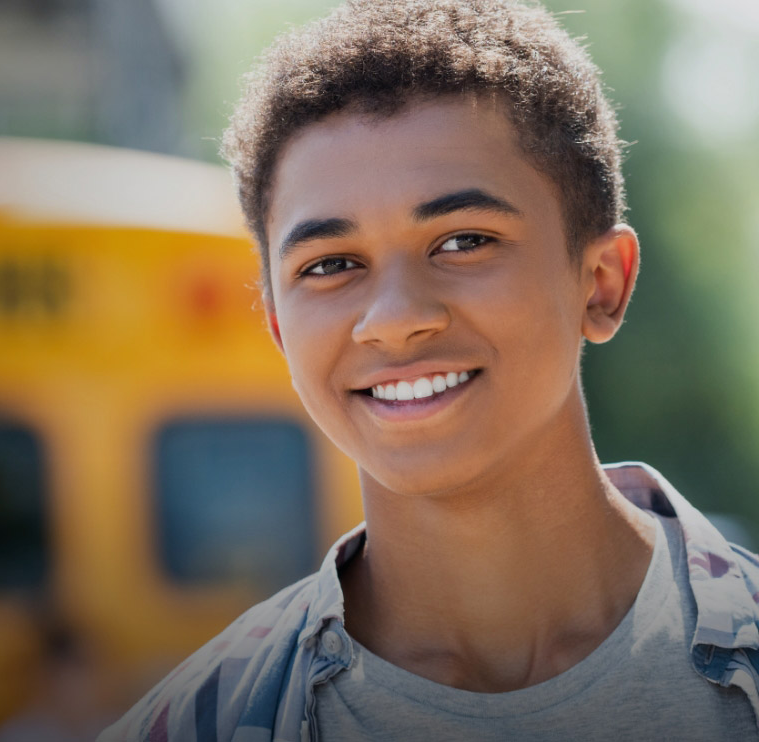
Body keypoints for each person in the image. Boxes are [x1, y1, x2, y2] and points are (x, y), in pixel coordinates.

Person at [99, 1, 759, 740]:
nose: (393, 316)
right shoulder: (195, 724)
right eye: (331, 264)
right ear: (281, 333)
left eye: (463, 241)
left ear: (601, 281)